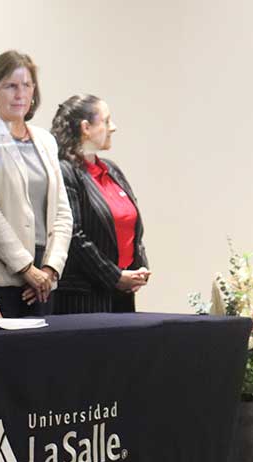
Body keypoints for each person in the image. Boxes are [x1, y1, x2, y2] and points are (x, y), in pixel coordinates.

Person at [0, 51, 72, 317]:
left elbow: (62, 212)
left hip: (43, 278)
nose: (20, 94)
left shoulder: (46, 140)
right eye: (11, 86)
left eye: (27, 85)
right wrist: (25, 268)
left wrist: (50, 269)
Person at [50, 94, 150, 313]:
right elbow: (74, 236)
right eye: (106, 121)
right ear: (86, 128)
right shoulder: (66, 171)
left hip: (121, 293)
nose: (113, 127)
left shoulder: (112, 169)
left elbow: (133, 226)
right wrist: (114, 277)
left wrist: (139, 269)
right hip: (84, 297)